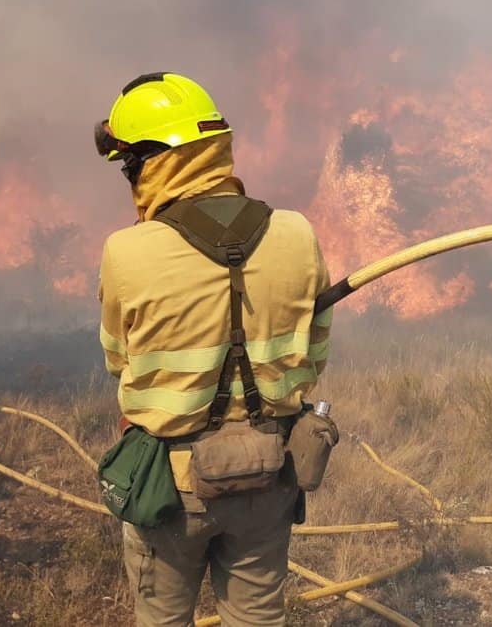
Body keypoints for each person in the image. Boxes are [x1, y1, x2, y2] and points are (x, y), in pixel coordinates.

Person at [95, 72, 332, 627]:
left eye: (130, 163)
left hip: (168, 491)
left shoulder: (126, 251)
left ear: (153, 163)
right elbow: (314, 355)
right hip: (269, 477)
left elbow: (118, 361)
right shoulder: (298, 232)